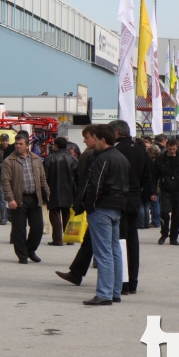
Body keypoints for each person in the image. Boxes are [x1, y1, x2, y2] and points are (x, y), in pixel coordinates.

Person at [80, 124, 129, 306]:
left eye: (95, 138)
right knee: (114, 250)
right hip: (117, 208)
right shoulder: (122, 158)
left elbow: (95, 185)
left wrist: (89, 205)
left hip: (102, 208)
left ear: (102, 140)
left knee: (103, 253)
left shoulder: (103, 159)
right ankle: (115, 291)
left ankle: (104, 293)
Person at [111, 120, 151, 293]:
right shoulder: (141, 150)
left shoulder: (116, 151)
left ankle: (123, 283)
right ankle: (133, 282)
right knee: (133, 241)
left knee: (120, 241)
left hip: (119, 198)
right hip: (135, 197)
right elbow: (149, 175)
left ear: (117, 133)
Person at [55, 126, 97, 286]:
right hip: (100, 204)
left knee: (100, 240)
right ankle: (77, 273)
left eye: (87, 137)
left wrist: (79, 202)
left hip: (97, 205)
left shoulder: (89, 155)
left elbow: (83, 181)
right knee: (90, 240)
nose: (84, 141)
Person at [0, 133, 50, 264]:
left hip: (34, 198)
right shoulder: (9, 161)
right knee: (19, 229)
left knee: (38, 228)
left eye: (20, 144)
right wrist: (10, 199)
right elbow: (5, 182)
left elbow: (43, 179)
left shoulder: (36, 159)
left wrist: (47, 195)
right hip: (18, 199)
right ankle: (22, 255)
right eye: (16, 144)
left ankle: (30, 250)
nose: (17, 146)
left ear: (27, 146)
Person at [153, 138, 179, 246]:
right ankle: (164, 233)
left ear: (177, 148)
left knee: (177, 215)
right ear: (166, 148)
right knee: (164, 213)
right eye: (170, 149)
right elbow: (154, 177)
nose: (172, 151)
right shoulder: (160, 159)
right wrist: (153, 192)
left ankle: (174, 237)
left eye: (174, 149)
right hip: (165, 190)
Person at [43, 136, 78, 246]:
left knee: (54, 214)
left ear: (56, 146)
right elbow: (78, 177)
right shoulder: (73, 159)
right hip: (69, 191)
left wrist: (44, 192)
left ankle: (57, 239)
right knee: (67, 214)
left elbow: (44, 177)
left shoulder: (49, 159)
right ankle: (69, 238)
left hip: (53, 190)